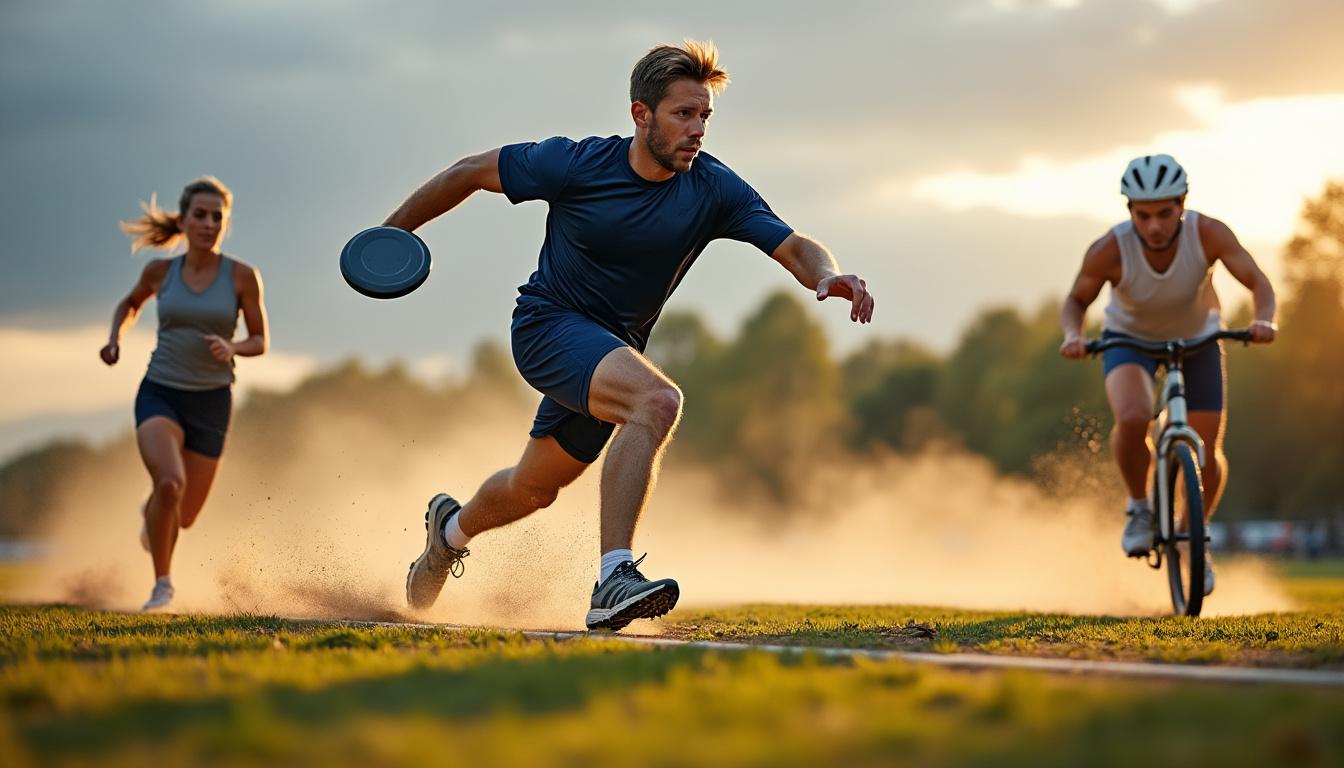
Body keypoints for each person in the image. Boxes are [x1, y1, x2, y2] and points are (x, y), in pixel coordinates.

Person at [385, 40, 874, 630]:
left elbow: (793, 244)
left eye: (704, 116)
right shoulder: (573, 162)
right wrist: (389, 239)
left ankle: (450, 533)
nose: (697, 130)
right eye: (683, 114)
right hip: (548, 327)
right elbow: (469, 173)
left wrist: (826, 275)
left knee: (534, 488)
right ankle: (614, 577)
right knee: (657, 400)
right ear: (641, 114)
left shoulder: (713, 188)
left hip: (612, 351)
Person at [1059, 154, 1276, 595]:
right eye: (1142, 215)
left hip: (1198, 341)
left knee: (1208, 449)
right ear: (1130, 212)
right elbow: (1076, 300)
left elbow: (1257, 280)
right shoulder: (1110, 249)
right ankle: (1139, 506)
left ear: (1182, 204)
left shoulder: (1208, 233)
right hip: (1128, 340)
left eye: (1164, 213)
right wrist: (1072, 334)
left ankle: (1193, 537)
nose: (1154, 225)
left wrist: (1264, 319)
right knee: (1135, 416)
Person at [101, 177, 268, 611]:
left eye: (218, 217)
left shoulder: (243, 277)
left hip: (212, 400)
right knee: (170, 483)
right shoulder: (161, 271)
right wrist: (115, 338)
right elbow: (130, 304)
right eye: (201, 214)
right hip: (161, 392)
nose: (209, 223)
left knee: (185, 515)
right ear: (184, 219)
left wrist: (232, 347)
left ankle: (152, 512)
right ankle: (162, 586)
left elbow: (259, 340)